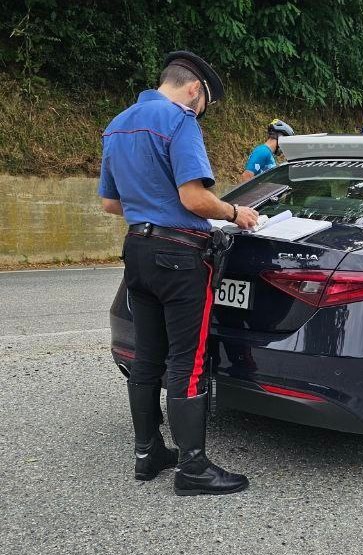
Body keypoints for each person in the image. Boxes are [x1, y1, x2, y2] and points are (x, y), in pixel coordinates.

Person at [97, 50, 258, 496]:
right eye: (204, 103)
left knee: (147, 357)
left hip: (137, 249)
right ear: (194, 89)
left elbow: (110, 203)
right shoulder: (180, 120)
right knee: (188, 359)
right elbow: (194, 199)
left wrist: (151, 207)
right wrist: (236, 212)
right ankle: (193, 468)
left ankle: (147, 453)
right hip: (179, 256)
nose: (201, 111)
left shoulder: (118, 123)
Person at [240, 119, 294, 183]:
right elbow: (246, 176)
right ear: (281, 137)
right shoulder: (262, 151)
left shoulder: (268, 153)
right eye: (285, 143)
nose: (284, 148)